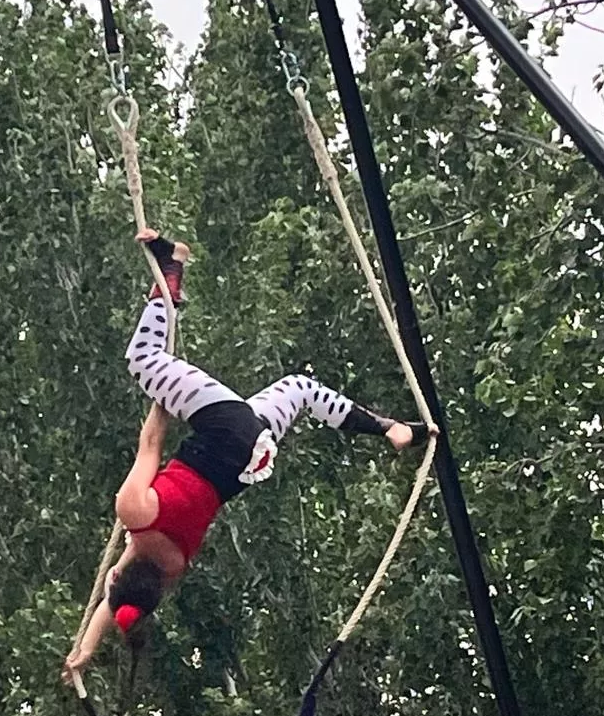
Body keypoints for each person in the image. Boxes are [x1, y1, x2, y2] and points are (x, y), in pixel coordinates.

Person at [63, 229, 434, 682]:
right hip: (222, 426)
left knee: (300, 389)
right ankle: (171, 269)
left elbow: (122, 598)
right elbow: (150, 446)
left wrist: (87, 648)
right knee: (144, 359)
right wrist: (165, 397)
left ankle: (391, 429)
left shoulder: (174, 566)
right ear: (125, 574)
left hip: (252, 452)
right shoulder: (135, 512)